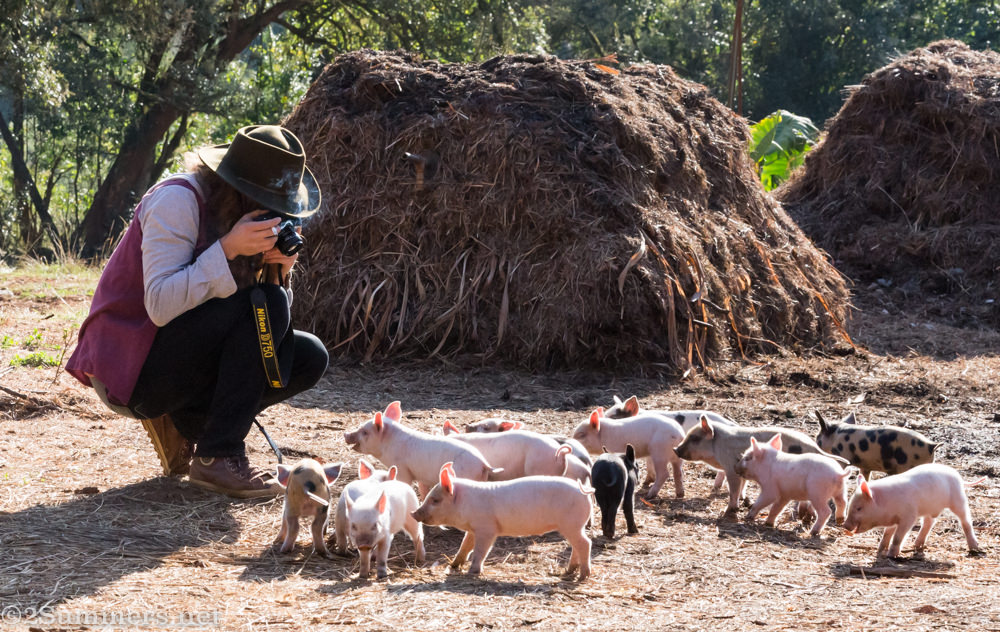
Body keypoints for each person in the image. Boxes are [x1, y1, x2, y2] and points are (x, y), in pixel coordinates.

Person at [67, 125, 330, 498]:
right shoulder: (177, 201)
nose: (273, 214)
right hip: (129, 369)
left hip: (180, 361)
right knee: (257, 308)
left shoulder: (243, 216)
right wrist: (228, 249)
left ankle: (194, 425)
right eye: (266, 202)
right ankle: (217, 456)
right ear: (236, 188)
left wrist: (278, 274)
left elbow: (265, 332)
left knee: (308, 356)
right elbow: (160, 306)